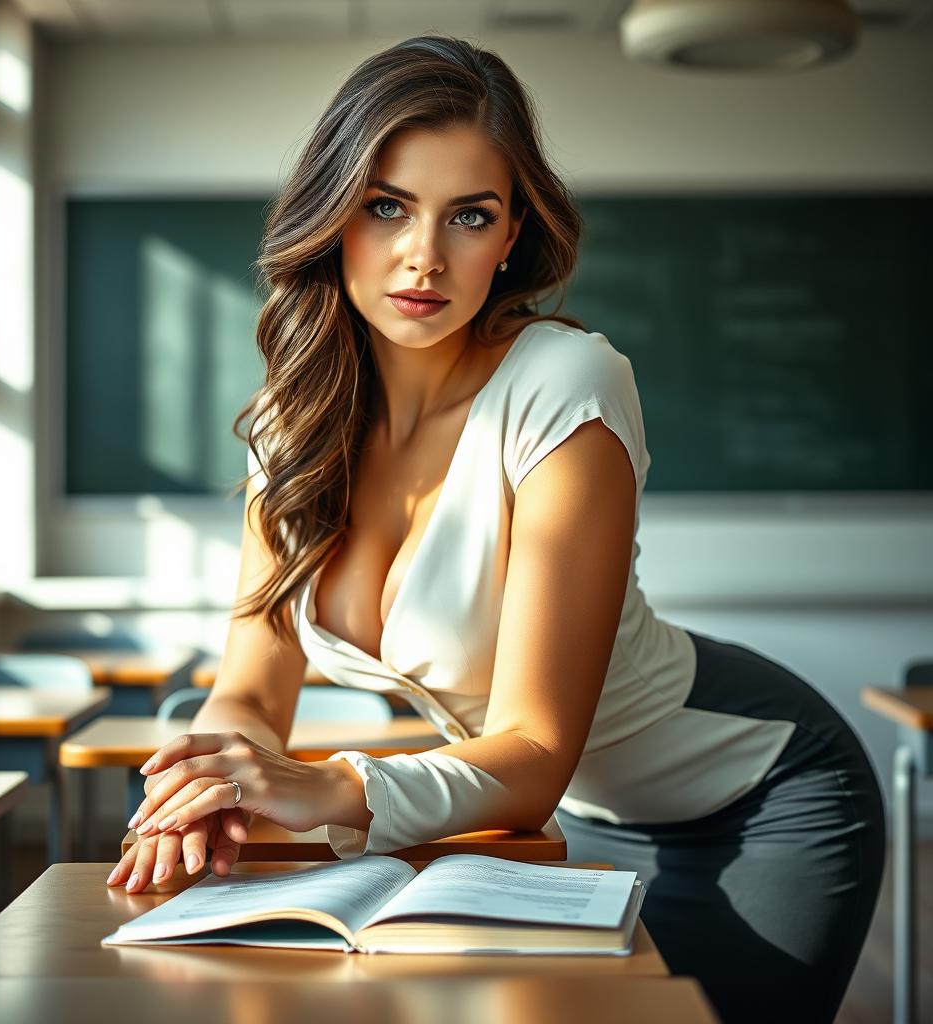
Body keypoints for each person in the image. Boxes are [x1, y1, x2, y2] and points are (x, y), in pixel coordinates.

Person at [105, 35, 886, 1024]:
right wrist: (208, 780)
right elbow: (252, 686)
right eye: (386, 205)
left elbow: (534, 747)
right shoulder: (289, 421)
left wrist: (325, 785)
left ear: (512, 233)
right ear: (332, 211)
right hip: (560, 825)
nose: (423, 256)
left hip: (760, 799)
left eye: (468, 215)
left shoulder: (564, 384)